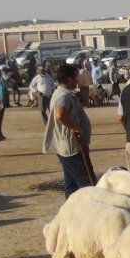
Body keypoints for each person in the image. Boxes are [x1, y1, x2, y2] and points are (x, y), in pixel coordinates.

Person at [43, 64, 94, 198]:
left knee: (71, 185)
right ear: (69, 79)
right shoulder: (63, 96)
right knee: (86, 185)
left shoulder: (63, 93)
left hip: (67, 147)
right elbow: (60, 115)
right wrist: (76, 128)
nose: (77, 80)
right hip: (72, 147)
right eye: (75, 77)